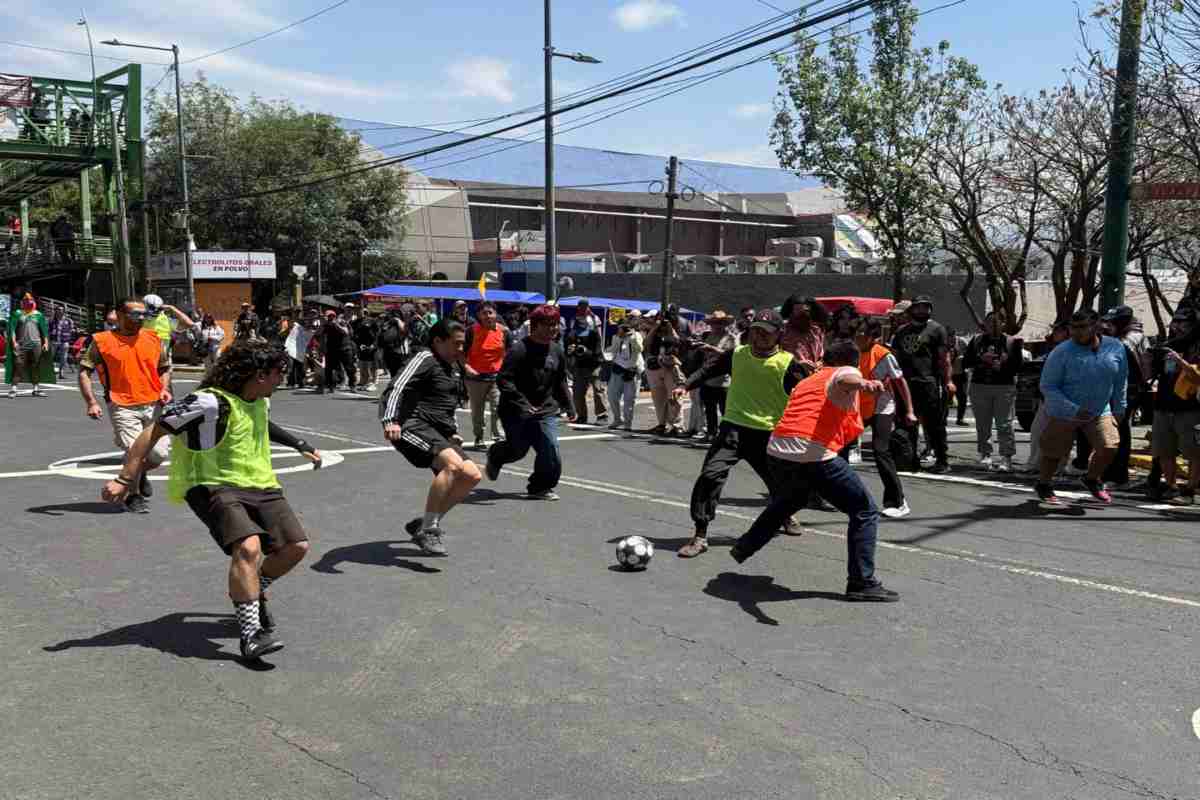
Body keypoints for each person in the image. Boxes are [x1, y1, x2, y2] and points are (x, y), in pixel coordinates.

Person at [100, 340, 323, 661]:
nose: (281, 380)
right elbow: (152, 432)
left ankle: (254, 589)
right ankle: (251, 635)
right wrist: (124, 479)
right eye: (277, 373)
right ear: (259, 374)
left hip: (260, 483)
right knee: (248, 547)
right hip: (211, 484)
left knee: (296, 548)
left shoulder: (260, 399)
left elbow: (261, 424)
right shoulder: (206, 402)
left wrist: (298, 442)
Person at [728, 340, 899, 602]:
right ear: (851, 362)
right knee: (864, 510)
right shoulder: (843, 373)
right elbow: (848, 379)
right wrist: (867, 384)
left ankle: (745, 545)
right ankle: (861, 583)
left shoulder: (809, 381)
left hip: (777, 450)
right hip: (811, 452)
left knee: (793, 499)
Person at [676, 309, 805, 558]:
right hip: (733, 429)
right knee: (710, 475)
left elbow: (806, 396)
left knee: (778, 482)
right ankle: (700, 535)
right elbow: (707, 371)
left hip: (768, 433)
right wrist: (685, 385)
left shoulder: (788, 364)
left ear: (778, 335)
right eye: (755, 330)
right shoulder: (736, 355)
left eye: (766, 333)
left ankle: (785, 513)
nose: (759, 337)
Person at [380, 319, 482, 555]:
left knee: (472, 476)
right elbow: (397, 387)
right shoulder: (424, 358)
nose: (460, 349)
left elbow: (447, 404)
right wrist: (390, 420)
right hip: (410, 424)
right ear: (438, 341)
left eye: (462, 344)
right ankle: (429, 530)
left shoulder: (453, 367)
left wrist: (452, 431)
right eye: (456, 344)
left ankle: (423, 522)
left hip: (436, 430)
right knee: (453, 466)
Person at [77, 298, 173, 513]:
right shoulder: (101, 341)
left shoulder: (153, 338)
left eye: (143, 315)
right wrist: (91, 402)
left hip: (154, 404)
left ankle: (137, 472)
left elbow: (165, 368)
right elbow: (85, 371)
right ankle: (134, 495)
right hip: (122, 404)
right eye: (134, 314)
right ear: (119, 315)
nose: (141, 319)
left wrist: (164, 389)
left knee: (158, 455)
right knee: (134, 451)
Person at [1034, 309, 1127, 505]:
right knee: (1054, 452)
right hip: (1065, 411)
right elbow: (1048, 386)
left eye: (1082, 327)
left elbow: (1120, 381)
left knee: (1109, 446)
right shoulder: (1061, 352)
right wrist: (1073, 409)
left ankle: (1091, 479)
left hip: (1099, 409)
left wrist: (1120, 407)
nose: (1076, 332)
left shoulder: (1115, 347)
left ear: (1096, 326)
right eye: (1072, 327)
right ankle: (1044, 484)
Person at [485, 305, 575, 500]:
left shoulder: (557, 351)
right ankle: (496, 455)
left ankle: (540, 487)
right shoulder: (519, 349)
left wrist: (568, 405)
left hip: (545, 409)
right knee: (517, 451)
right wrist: (523, 403)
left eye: (555, 325)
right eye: (548, 325)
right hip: (515, 410)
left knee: (550, 448)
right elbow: (504, 380)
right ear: (535, 326)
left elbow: (560, 380)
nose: (553, 329)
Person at [854, 318, 917, 518]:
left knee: (881, 450)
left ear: (873, 337)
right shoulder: (851, 352)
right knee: (837, 446)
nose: (858, 336)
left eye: (862, 333)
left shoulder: (883, 355)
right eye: (856, 332)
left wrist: (909, 410)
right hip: (858, 407)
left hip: (882, 407)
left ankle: (897, 501)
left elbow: (900, 382)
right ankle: (827, 492)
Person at [890, 296, 954, 474]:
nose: (922, 311)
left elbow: (944, 359)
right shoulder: (901, 332)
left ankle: (942, 460)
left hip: (929, 383)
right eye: (918, 308)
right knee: (906, 423)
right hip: (905, 384)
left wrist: (948, 381)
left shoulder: (937, 329)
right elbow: (893, 358)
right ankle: (910, 459)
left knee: (935, 425)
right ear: (912, 310)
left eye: (926, 308)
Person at [1091, 305, 1150, 486]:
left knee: (1119, 433)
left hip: (1128, 390)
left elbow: (1131, 370)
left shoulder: (1127, 341)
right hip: (1124, 389)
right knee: (1116, 432)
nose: (1108, 326)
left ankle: (1117, 475)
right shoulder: (1125, 338)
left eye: (1112, 322)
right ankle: (1112, 473)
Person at [1147, 308, 1200, 503]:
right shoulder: (1166, 347)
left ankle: (1190, 490)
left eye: (1182, 323)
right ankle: (1172, 487)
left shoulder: (1196, 348)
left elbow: (1197, 378)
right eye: (1175, 322)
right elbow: (1152, 375)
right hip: (1163, 406)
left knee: (1194, 452)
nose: (1176, 326)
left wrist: (1181, 362)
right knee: (1164, 450)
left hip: (1189, 408)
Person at [963, 311, 1023, 472]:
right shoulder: (976, 341)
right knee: (983, 424)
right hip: (979, 385)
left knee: (1004, 423)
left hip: (1004, 387)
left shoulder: (1012, 342)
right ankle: (985, 454)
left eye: (997, 322)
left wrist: (1003, 364)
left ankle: (1006, 457)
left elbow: (1018, 367)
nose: (993, 325)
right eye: (989, 322)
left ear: (1003, 324)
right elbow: (966, 362)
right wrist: (981, 359)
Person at [463, 301, 512, 448]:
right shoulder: (471, 331)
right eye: (484, 313)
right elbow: (460, 353)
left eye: (490, 312)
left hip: (496, 377)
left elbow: (510, 353)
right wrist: (466, 367)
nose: (487, 316)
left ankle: (498, 436)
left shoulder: (504, 331)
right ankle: (479, 437)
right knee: (478, 411)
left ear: (496, 314)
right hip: (475, 378)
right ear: (478, 315)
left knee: (499, 408)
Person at [696, 310, 738, 442]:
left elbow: (732, 355)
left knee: (725, 411)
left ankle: (726, 436)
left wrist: (711, 349)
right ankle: (711, 433)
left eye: (720, 323)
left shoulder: (730, 338)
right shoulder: (708, 336)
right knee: (710, 409)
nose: (717, 325)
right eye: (715, 323)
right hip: (708, 378)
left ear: (725, 324)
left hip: (724, 381)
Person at [564, 301, 608, 425]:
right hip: (579, 365)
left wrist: (585, 351)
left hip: (594, 364)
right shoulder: (573, 330)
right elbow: (568, 346)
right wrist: (571, 351)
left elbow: (597, 351)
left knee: (597, 389)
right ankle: (582, 416)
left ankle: (602, 415)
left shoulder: (594, 329)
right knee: (578, 392)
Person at [5, 293, 52, 397]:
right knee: (18, 366)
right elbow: (12, 329)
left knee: (35, 366)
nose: (28, 301)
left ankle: (36, 389)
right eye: (26, 300)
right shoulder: (17, 313)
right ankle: (13, 389)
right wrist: (14, 342)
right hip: (21, 345)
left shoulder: (38, 314)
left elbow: (44, 331)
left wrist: (46, 343)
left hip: (36, 344)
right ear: (22, 302)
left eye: (30, 300)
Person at [644, 315, 684, 436]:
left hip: (670, 368)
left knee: (674, 396)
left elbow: (678, 342)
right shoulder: (653, 332)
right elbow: (645, 343)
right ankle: (662, 424)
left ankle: (677, 426)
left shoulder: (673, 332)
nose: (662, 324)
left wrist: (670, 327)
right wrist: (655, 327)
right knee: (658, 398)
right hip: (654, 367)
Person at [606, 311, 644, 431]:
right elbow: (613, 350)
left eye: (633, 317)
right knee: (612, 396)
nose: (624, 329)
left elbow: (640, 349)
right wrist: (618, 337)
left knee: (629, 400)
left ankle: (628, 424)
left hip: (631, 370)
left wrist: (631, 337)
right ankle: (617, 419)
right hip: (618, 368)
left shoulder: (637, 335)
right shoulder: (617, 336)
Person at [779, 294, 828, 372]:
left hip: (814, 375)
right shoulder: (782, 331)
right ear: (790, 312)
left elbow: (822, 354)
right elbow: (775, 355)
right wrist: (797, 364)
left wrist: (819, 363)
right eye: (798, 311)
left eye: (806, 311)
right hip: (790, 375)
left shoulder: (816, 330)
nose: (803, 315)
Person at [318, 309, 353, 394]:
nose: (330, 318)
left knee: (349, 368)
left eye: (332, 316)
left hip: (344, 348)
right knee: (329, 369)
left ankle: (352, 385)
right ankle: (330, 386)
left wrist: (336, 325)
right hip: (331, 349)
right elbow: (319, 335)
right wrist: (322, 324)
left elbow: (346, 332)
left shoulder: (340, 321)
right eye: (328, 316)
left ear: (335, 316)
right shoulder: (325, 325)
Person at [946, 327, 971, 427]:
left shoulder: (962, 342)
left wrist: (964, 359)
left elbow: (970, 354)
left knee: (963, 397)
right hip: (948, 374)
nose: (950, 341)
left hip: (961, 373)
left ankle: (960, 418)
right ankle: (944, 418)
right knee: (946, 397)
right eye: (948, 338)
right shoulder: (942, 342)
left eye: (952, 338)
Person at [353, 309, 380, 391]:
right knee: (363, 365)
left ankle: (373, 383)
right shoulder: (355, 322)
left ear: (366, 313)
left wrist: (374, 345)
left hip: (372, 346)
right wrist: (359, 345)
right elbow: (354, 335)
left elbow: (378, 333)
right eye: (357, 312)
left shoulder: (372, 321)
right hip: (362, 346)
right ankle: (365, 382)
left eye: (362, 312)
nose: (360, 313)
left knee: (373, 365)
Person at [48, 304, 76, 378]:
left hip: (64, 341)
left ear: (64, 311)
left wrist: (71, 333)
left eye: (61, 310)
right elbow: (47, 330)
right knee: (50, 357)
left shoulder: (69, 320)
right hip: (54, 341)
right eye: (58, 309)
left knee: (63, 358)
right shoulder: (51, 320)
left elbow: (72, 329)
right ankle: (49, 372)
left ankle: (61, 373)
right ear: (55, 311)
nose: (59, 311)